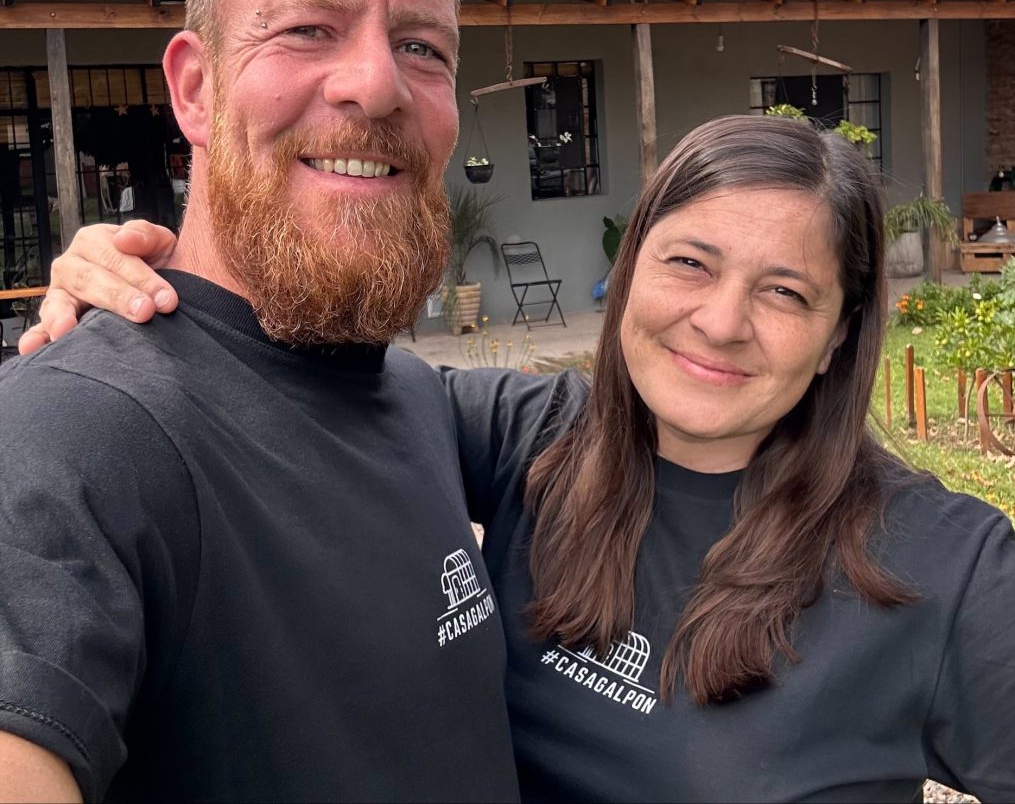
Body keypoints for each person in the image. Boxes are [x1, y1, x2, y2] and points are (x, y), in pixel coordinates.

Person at [34, 115, 1015, 802]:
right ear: (629, 270)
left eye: (785, 293)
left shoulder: (942, 570)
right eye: (689, 262)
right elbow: (287, 394)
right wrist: (145, 298)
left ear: (840, 335)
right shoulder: (533, 437)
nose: (720, 323)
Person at [0, 0, 519, 802]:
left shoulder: (418, 401)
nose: (378, 83)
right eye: (308, 31)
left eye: (422, 46)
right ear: (194, 88)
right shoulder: (68, 435)